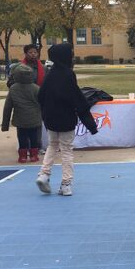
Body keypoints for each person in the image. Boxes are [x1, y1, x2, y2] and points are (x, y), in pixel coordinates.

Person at [35, 43, 98, 196]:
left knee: (52, 145)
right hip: (66, 118)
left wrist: (46, 112)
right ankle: (66, 184)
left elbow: (40, 96)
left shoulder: (50, 74)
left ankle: (44, 174)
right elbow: (77, 98)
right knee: (67, 150)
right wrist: (90, 123)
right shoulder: (69, 74)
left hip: (51, 119)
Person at [1, 63, 42, 163]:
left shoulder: (13, 89)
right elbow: (43, 103)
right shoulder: (36, 88)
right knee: (34, 137)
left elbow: (7, 107)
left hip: (20, 119)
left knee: (22, 138)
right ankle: (34, 155)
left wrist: (5, 125)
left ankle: (22, 156)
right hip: (34, 118)